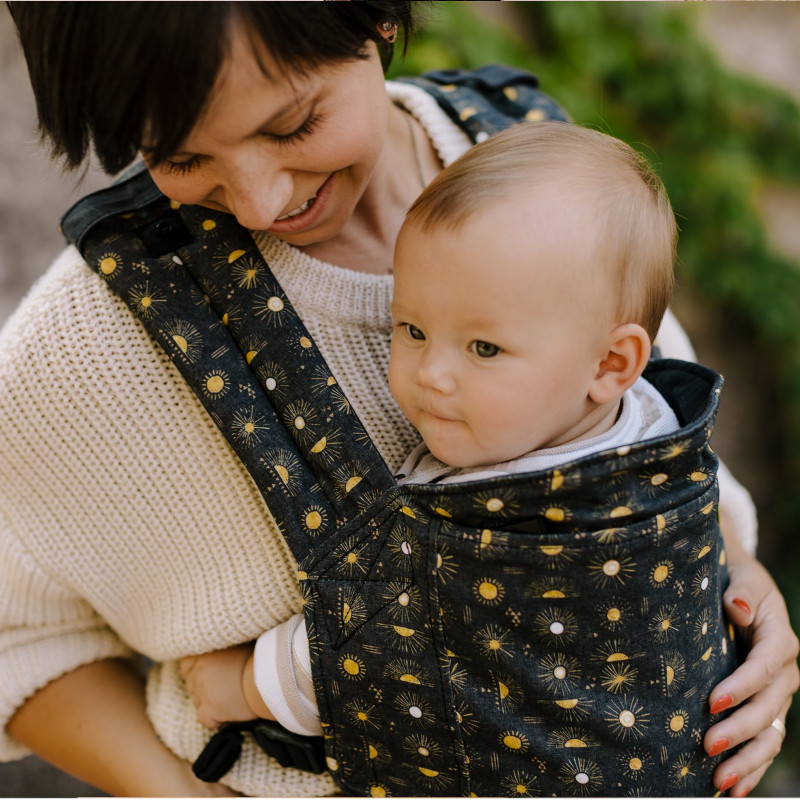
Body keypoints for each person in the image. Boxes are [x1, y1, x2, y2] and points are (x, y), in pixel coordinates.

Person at [1, 2, 796, 797]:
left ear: (377, 18)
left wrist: (740, 589)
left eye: (293, 124)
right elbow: (17, 642)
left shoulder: (526, 158)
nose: (257, 202)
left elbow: (646, 430)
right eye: (175, 154)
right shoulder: (82, 350)